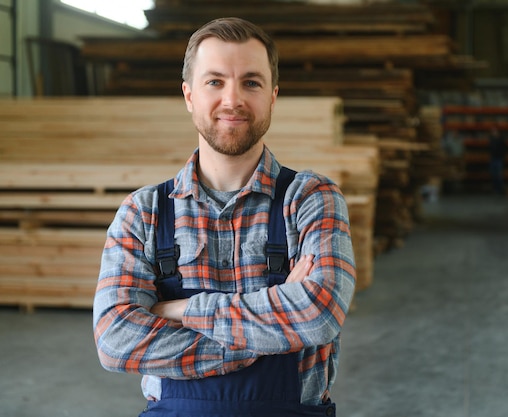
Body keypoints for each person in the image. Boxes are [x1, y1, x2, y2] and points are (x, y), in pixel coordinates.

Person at [93, 17, 356, 417]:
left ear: (272, 96)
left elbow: (318, 316)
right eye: (215, 81)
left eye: (251, 82)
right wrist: (272, 324)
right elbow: (115, 341)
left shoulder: (311, 199)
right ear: (189, 96)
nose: (232, 100)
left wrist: (181, 311)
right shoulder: (143, 212)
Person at [488, 126, 506, 194]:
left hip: (499, 159)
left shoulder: (501, 139)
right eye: (493, 132)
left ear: (498, 132)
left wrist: (502, 156)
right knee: (493, 174)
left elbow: (504, 149)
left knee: (499, 174)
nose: (494, 133)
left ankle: (500, 189)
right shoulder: (492, 140)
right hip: (493, 158)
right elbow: (490, 149)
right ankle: (495, 189)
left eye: (495, 131)